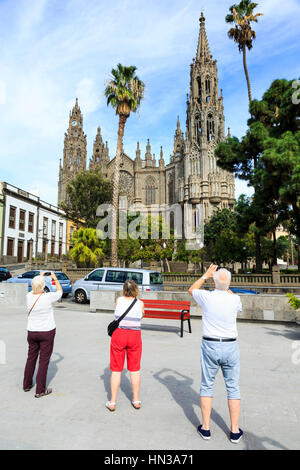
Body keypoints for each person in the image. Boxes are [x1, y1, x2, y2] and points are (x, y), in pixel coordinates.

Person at [188, 264, 243, 444]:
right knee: (233, 387)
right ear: (229, 283)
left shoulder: (206, 296)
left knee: (207, 386)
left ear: (213, 281)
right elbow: (228, 292)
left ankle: (206, 428)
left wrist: (206, 275)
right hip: (230, 346)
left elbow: (192, 289)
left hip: (210, 344)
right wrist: (222, 283)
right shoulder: (235, 299)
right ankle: (234, 431)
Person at [106, 280, 144, 412]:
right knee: (134, 369)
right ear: (136, 290)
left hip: (119, 335)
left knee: (116, 369)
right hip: (134, 336)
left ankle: (112, 401)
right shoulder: (140, 303)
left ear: (124, 290)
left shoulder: (118, 300)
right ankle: (136, 399)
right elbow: (141, 316)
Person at [23, 271, 63, 398]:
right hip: (47, 332)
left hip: (32, 331)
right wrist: (54, 277)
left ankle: (27, 384)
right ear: (43, 286)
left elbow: (35, 288)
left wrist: (40, 276)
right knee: (44, 361)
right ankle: (40, 389)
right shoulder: (47, 297)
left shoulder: (28, 296)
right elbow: (60, 292)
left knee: (31, 358)